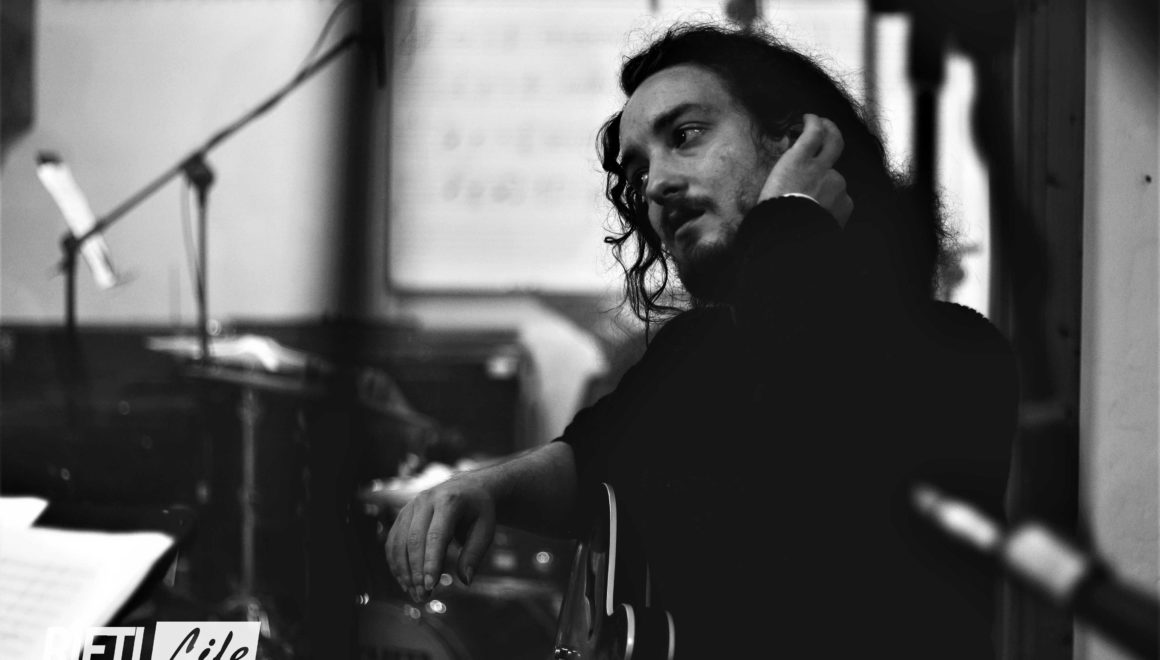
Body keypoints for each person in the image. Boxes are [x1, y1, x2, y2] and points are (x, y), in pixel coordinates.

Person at [386, 22, 1018, 658]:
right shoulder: (696, 352)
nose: (655, 184)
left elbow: (804, 477)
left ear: (799, 144)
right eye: (638, 170)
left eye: (685, 136)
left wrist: (790, 226)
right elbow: (596, 462)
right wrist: (487, 488)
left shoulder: (952, 353)